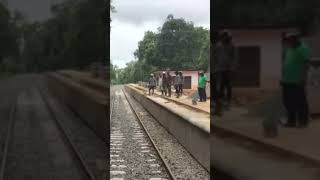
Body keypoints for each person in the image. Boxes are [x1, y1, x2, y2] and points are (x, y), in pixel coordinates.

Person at [281, 32, 310, 128]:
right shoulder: (289, 49)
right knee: (288, 102)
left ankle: (303, 122)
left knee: (300, 101)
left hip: (297, 80)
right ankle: (291, 121)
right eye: (288, 40)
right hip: (286, 80)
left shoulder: (303, 49)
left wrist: (303, 78)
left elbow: (306, 65)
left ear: (296, 39)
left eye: (290, 40)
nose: (289, 42)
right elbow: (286, 64)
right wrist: (282, 77)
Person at [213, 30, 237, 109]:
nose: (226, 39)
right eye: (224, 37)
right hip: (220, 69)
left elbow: (234, 57)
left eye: (227, 37)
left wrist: (232, 67)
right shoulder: (218, 46)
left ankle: (228, 101)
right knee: (220, 86)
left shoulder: (231, 46)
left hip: (228, 68)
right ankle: (220, 101)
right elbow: (214, 56)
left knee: (228, 85)